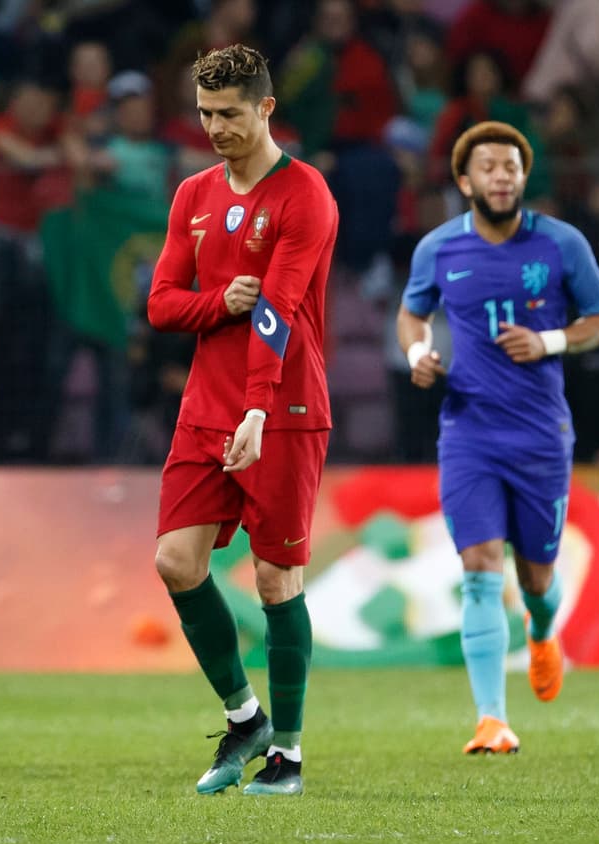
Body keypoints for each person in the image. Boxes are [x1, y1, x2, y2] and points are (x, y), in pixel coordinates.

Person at [146, 44, 338, 796]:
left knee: (274, 577)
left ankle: (286, 753)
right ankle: (244, 714)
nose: (215, 126)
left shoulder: (306, 195)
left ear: (265, 109)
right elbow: (162, 303)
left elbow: (279, 310)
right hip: (205, 410)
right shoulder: (192, 194)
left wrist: (259, 404)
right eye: (204, 113)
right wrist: (215, 303)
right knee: (175, 561)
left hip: (284, 412)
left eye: (229, 113)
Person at [396, 121, 599, 754]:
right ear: (465, 181)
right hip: (469, 431)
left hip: (541, 435)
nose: (501, 176)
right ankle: (491, 719)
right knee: (479, 567)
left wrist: (548, 341)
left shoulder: (561, 245)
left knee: (539, 579)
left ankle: (543, 634)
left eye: (511, 167)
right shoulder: (439, 249)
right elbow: (412, 314)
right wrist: (417, 355)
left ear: (525, 177)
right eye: (488, 167)